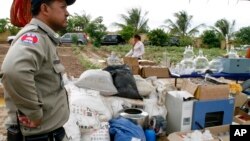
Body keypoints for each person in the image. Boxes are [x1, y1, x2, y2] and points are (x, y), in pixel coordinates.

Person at [0, 0, 76, 140]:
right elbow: (14, 71)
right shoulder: (35, 37)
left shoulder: (44, 37)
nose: (67, 13)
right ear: (45, 9)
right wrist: (34, 114)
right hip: (41, 137)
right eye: (63, 7)